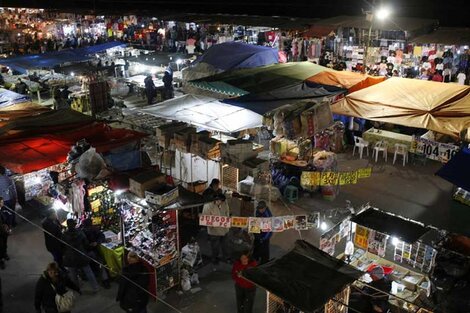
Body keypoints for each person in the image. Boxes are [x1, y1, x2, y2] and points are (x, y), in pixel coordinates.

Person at [62, 219, 99, 292]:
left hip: (70, 257)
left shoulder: (64, 235)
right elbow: (86, 244)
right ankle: (95, 287)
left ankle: (76, 288)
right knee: (88, 272)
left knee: (73, 274)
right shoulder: (80, 233)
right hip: (81, 255)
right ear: (74, 224)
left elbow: (62, 246)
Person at [81, 219, 111, 289]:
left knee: (91, 267)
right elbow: (102, 236)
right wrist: (97, 242)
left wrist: (96, 242)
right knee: (100, 264)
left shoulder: (82, 231)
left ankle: (101, 280)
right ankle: (105, 280)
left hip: (86, 252)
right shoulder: (94, 229)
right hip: (93, 251)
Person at [202, 194, 230, 264]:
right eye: (219, 201)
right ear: (215, 200)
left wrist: (227, 220)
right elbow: (205, 218)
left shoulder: (224, 203)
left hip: (224, 229)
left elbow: (227, 212)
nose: (221, 203)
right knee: (215, 246)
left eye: (222, 201)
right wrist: (212, 224)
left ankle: (226, 257)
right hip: (214, 231)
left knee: (225, 245)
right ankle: (214, 258)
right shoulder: (208, 205)